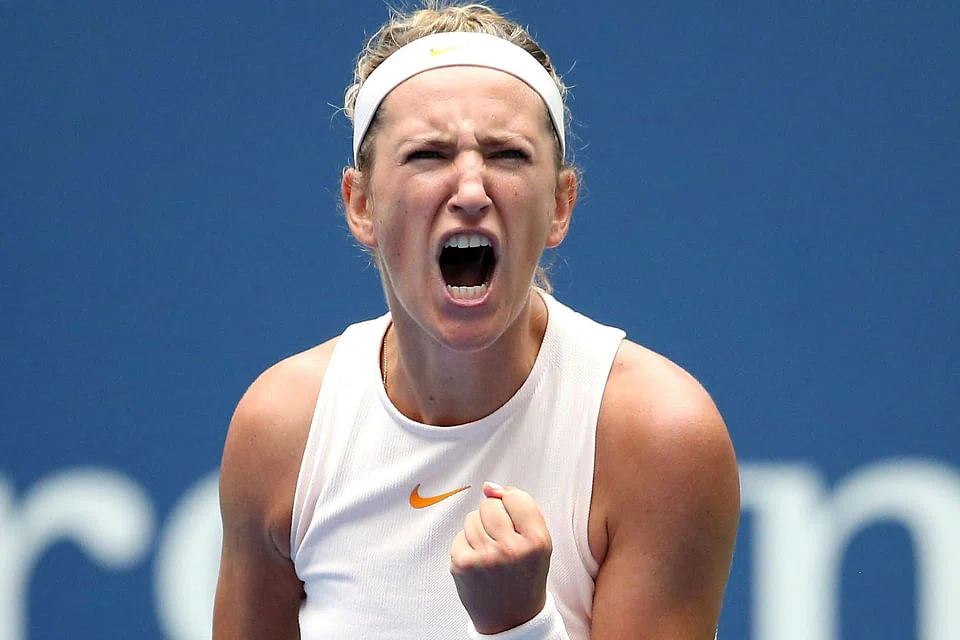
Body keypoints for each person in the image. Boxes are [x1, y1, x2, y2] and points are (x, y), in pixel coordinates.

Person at [212, 2, 740, 638]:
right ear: (361, 204)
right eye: (428, 154)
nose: (470, 190)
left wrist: (518, 625)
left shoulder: (659, 434)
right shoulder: (281, 429)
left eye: (507, 154)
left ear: (560, 205)